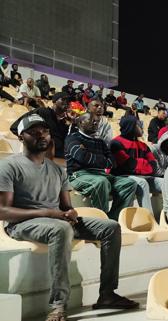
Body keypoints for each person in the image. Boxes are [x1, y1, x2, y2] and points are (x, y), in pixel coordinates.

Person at [0, 114, 139, 321]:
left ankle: (107, 294)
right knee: (61, 229)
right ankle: (58, 305)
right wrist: (49, 213)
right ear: (21, 137)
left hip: (55, 220)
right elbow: (3, 211)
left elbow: (66, 206)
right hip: (21, 224)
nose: (42, 135)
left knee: (111, 226)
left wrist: (71, 212)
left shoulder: (57, 170)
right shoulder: (9, 166)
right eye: (34, 132)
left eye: (45, 131)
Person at [64, 113, 137, 220]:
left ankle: (114, 219)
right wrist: (102, 159)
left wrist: (90, 156)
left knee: (129, 184)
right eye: (91, 120)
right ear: (80, 123)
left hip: (101, 174)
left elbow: (112, 162)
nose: (95, 122)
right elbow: (82, 157)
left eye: (97, 121)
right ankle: (101, 221)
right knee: (101, 181)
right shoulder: (72, 138)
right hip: (79, 175)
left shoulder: (100, 142)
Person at [110, 115, 161, 214]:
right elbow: (127, 165)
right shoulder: (116, 143)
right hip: (122, 177)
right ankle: (149, 220)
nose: (141, 127)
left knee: (164, 182)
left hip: (141, 175)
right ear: (131, 126)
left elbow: (154, 166)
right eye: (138, 125)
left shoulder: (143, 145)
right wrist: (144, 163)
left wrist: (138, 164)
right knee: (142, 183)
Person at [10, 92, 71, 159]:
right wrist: (33, 146)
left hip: (61, 156)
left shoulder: (64, 122)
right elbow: (15, 127)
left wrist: (73, 122)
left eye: (68, 101)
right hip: (42, 158)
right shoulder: (43, 112)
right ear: (54, 101)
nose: (67, 102)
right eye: (63, 99)